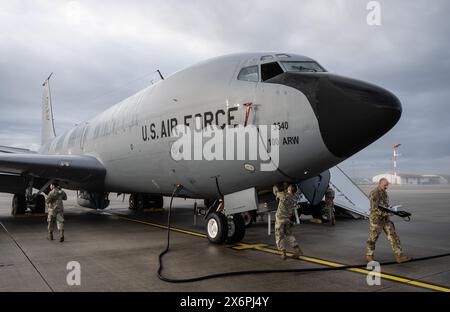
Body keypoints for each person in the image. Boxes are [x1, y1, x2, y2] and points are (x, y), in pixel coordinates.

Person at [366, 178, 411, 263]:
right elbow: (374, 209)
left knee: (393, 237)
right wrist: (388, 213)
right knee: (373, 238)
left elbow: (384, 206)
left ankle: (399, 256)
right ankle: (369, 255)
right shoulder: (374, 193)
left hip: (385, 219)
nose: (386, 187)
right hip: (376, 220)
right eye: (385, 185)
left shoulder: (384, 193)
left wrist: (391, 209)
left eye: (387, 185)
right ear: (380, 183)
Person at [273, 183, 303, 260]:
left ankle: (283, 253)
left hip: (280, 219)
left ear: (290, 189)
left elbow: (275, 191)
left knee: (279, 236)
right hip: (287, 219)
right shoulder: (294, 198)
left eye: (289, 187)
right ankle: (297, 250)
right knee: (289, 235)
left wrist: (278, 185)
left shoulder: (283, 195)